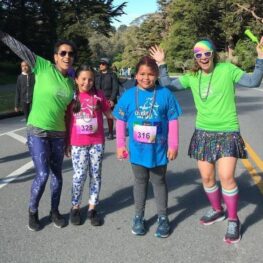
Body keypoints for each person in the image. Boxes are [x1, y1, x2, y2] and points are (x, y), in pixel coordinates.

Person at [149, 37, 263, 244]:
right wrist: (161, 64)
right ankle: (218, 209)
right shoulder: (192, 76)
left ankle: (233, 219)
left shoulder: (227, 69)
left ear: (213, 54)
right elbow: (168, 86)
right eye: (198, 55)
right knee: (208, 178)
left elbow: (253, 81)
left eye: (207, 53)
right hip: (203, 132)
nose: (203, 58)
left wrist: (261, 58)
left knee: (227, 176)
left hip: (228, 131)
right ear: (195, 58)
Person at [0, 30, 76, 231]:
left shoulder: (71, 82)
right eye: (63, 53)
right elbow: (21, 49)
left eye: (70, 54)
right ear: (55, 56)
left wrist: (68, 139)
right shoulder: (43, 66)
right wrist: (3, 35)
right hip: (38, 130)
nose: (67, 56)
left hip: (58, 133)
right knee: (42, 174)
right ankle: (32, 212)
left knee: (57, 175)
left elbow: (68, 114)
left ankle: (54, 211)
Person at [113, 56, 182, 238]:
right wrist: (120, 145)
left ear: (156, 74)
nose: (146, 78)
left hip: (159, 150)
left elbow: (173, 120)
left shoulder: (165, 94)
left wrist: (173, 145)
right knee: (140, 182)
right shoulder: (128, 95)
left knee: (159, 182)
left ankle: (163, 217)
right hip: (137, 150)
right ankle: (138, 216)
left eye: (150, 74)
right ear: (136, 75)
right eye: (142, 74)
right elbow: (120, 121)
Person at [65, 65, 112, 226]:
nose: (87, 82)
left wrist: (127, 121)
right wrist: (67, 143)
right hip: (78, 143)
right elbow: (66, 120)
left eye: (90, 79)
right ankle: (75, 206)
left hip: (97, 142)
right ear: (76, 80)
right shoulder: (72, 96)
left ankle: (92, 208)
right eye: (83, 79)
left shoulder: (98, 95)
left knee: (96, 175)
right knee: (79, 176)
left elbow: (108, 114)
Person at [95, 57, 119, 140]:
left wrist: (112, 99)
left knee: (109, 116)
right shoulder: (97, 75)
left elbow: (115, 88)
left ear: (107, 65)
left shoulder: (112, 75)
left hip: (108, 99)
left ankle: (110, 132)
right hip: (97, 99)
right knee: (97, 116)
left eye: (103, 64)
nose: (101, 65)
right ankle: (98, 132)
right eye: (100, 64)